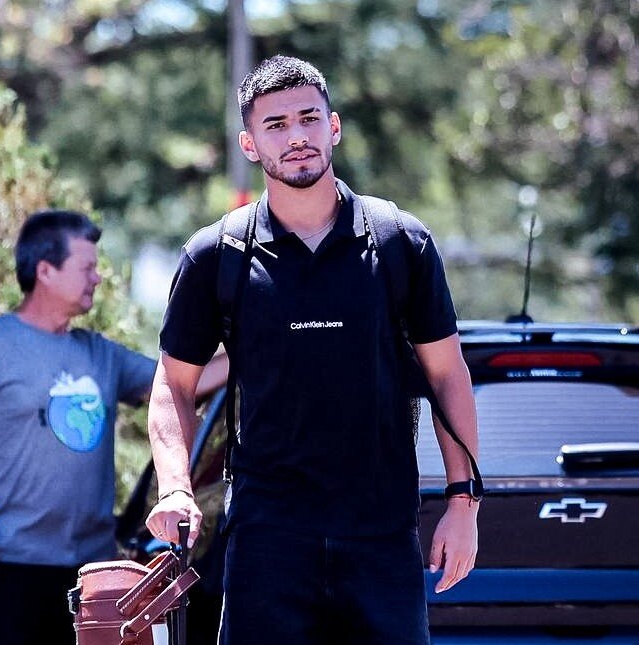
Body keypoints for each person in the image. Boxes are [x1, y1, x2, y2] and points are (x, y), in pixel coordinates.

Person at [145, 55, 480, 644]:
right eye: (276, 125)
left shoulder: (399, 241)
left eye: (308, 118)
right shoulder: (215, 256)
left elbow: (447, 375)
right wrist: (175, 486)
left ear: (334, 126)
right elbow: (173, 383)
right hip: (266, 541)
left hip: (381, 538)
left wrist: (463, 503)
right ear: (250, 144)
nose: (296, 137)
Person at [0, 210, 226, 645]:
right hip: (9, 568)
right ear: (45, 271)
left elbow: (181, 384)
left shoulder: (99, 353)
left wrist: (252, 345)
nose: (97, 278)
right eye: (87, 267)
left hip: (91, 577)